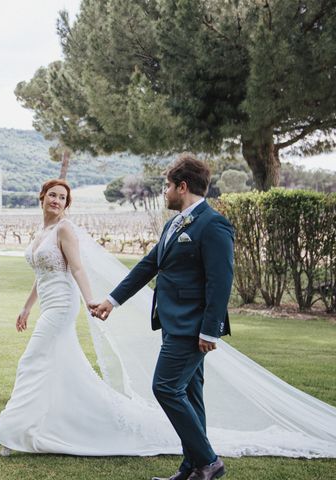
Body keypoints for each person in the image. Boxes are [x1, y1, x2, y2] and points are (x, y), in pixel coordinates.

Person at [0, 178, 180, 456]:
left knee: (30, 362)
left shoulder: (64, 229)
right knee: (54, 369)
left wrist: (91, 298)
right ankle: (26, 431)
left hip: (62, 306)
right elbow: (41, 275)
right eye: (52, 195)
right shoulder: (41, 232)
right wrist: (26, 307)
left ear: (66, 204)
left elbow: (78, 269)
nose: (56, 201)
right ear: (41, 196)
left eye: (62, 198)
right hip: (47, 305)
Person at [91, 153, 233, 480]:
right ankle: (193, 467)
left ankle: (210, 462)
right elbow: (148, 265)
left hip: (193, 326)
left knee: (166, 388)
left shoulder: (213, 225)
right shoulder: (173, 224)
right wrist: (113, 300)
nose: (164, 192)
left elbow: (220, 280)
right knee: (191, 394)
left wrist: (210, 330)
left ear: (182, 187)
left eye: (167, 186)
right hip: (172, 323)